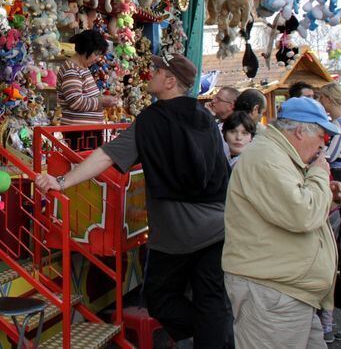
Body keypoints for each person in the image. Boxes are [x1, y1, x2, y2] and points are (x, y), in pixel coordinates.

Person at [35, 54, 232, 348]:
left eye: (157, 71)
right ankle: (215, 335)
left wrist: (61, 181)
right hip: (218, 228)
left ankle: (210, 333)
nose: (150, 74)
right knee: (212, 303)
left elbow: (105, 156)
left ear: (169, 82)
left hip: (175, 235)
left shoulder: (151, 120)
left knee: (160, 299)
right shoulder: (205, 117)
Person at [223, 97, 341, 349]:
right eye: (323, 137)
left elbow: (296, 209)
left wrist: (327, 198)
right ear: (300, 131)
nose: (324, 147)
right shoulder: (267, 158)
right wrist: (320, 175)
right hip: (272, 293)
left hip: (285, 290)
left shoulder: (280, 156)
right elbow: (302, 213)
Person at [57, 30, 120, 149]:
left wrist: (104, 101)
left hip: (86, 133)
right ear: (86, 49)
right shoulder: (72, 70)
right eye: (96, 54)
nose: (98, 59)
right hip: (80, 133)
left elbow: (86, 98)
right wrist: (101, 101)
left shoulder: (82, 68)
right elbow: (76, 102)